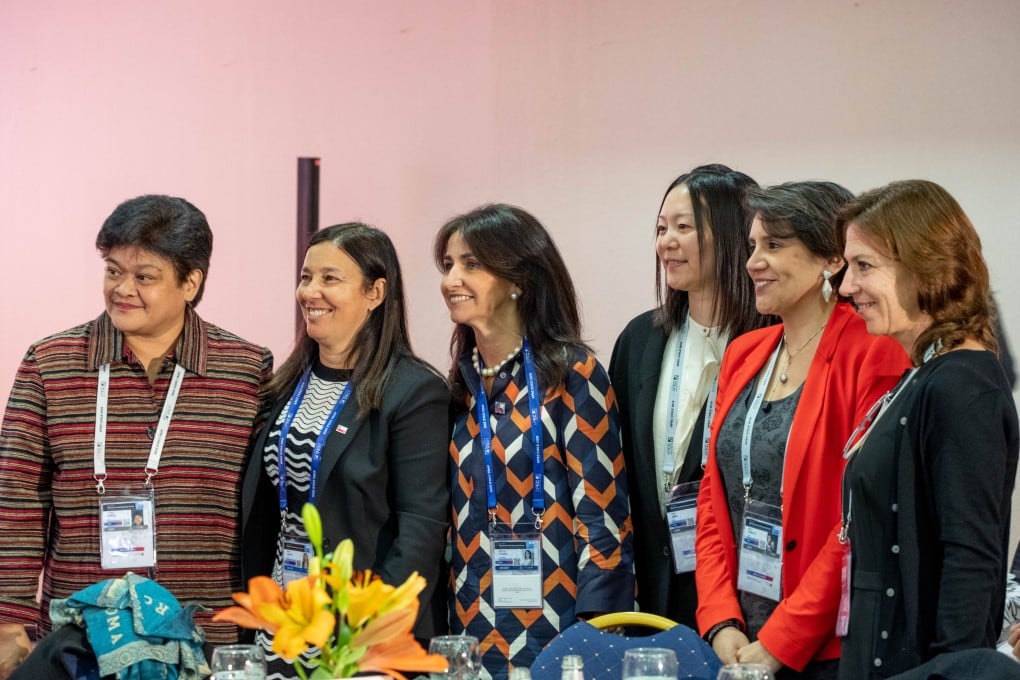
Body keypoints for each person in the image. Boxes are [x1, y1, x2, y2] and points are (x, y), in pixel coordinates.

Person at [0, 194, 273, 678]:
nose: (122, 289)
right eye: (112, 271)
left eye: (143, 276)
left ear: (191, 282)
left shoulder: (248, 371)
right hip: (79, 640)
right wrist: (9, 618)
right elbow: (16, 500)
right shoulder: (52, 362)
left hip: (208, 641)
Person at [695, 182, 909, 678]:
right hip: (739, 641)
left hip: (827, 648)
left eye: (773, 245)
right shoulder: (745, 353)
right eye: (752, 246)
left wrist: (782, 638)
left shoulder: (873, 351)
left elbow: (862, 518)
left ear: (830, 260)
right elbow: (713, 498)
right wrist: (720, 619)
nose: (752, 262)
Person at [239, 223, 450, 679]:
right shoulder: (282, 388)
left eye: (330, 278)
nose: (311, 291)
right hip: (285, 623)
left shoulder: (414, 392)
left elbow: (422, 529)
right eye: (305, 276)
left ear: (375, 293)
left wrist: (370, 629)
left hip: (361, 636)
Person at [436, 204, 635, 680]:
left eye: (471, 264)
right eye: (448, 265)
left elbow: (603, 520)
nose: (451, 279)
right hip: (467, 636)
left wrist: (596, 634)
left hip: (561, 637)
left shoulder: (571, 373)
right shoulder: (460, 387)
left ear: (518, 280)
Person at [836, 180, 1019, 678]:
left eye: (864, 266)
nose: (847, 286)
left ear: (925, 266)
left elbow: (971, 560)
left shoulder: (962, 386)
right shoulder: (926, 375)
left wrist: (950, 673)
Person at [609, 163, 771, 627]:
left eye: (684, 228)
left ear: (734, 236)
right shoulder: (640, 340)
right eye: (661, 228)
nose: (666, 242)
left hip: (744, 591)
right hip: (655, 588)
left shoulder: (773, 343)